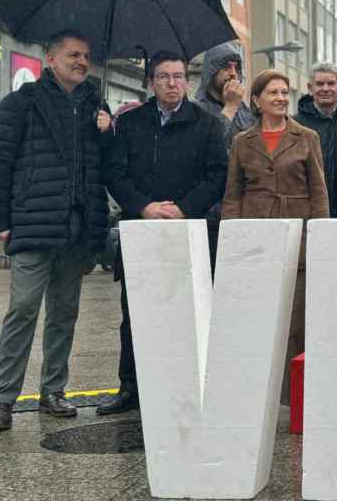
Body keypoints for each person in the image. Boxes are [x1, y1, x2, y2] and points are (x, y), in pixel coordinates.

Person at [0, 30, 111, 431]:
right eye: (73, 55)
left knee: (63, 313)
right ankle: (3, 398)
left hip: (76, 228)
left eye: (86, 56)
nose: (81, 62)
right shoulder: (21, 103)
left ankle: (53, 390)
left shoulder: (95, 105)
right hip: (33, 224)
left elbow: (106, 167)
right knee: (22, 310)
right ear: (50, 59)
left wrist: (109, 133)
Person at [98, 51, 229, 416]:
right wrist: (144, 206)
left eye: (178, 76)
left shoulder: (206, 124)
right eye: (163, 77)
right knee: (135, 315)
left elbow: (217, 175)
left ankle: (188, 386)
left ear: (186, 80)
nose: (172, 83)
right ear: (150, 82)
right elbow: (115, 172)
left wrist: (184, 208)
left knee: (188, 313)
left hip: (187, 231)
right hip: (142, 231)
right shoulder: (131, 123)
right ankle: (131, 388)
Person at [222, 69, 329, 404]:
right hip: (256, 234)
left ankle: (292, 395)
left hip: (298, 235)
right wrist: (233, 238)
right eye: (273, 93)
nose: (281, 98)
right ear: (256, 100)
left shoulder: (307, 137)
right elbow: (233, 193)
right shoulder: (242, 141)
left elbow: (319, 191)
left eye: (285, 92)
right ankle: (259, 391)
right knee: (259, 317)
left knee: (297, 322)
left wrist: (320, 237)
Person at [194, 41, 257, 272]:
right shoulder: (195, 109)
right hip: (208, 216)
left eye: (236, 68)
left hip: (241, 213)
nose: (233, 74)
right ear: (211, 71)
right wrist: (229, 108)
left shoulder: (246, 112)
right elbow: (203, 151)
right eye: (225, 67)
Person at [294, 62, 337, 216]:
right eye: (319, 84)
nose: (325, 89)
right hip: (308, 209)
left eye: (331, 83)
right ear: (310, 88)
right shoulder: (295, 124)